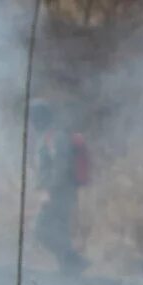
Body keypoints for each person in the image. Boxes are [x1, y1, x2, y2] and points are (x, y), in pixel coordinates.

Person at [29, 99, 88, 273]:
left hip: (59, 193)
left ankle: (74, 261)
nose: (31, 124)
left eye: (33, 119)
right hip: (62, 192)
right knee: (59, 231)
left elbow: (60, 167)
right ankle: (70, 272)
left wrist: (49, 191)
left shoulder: (55, 137)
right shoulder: (51, 136)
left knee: (40, 229)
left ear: (40, 119)